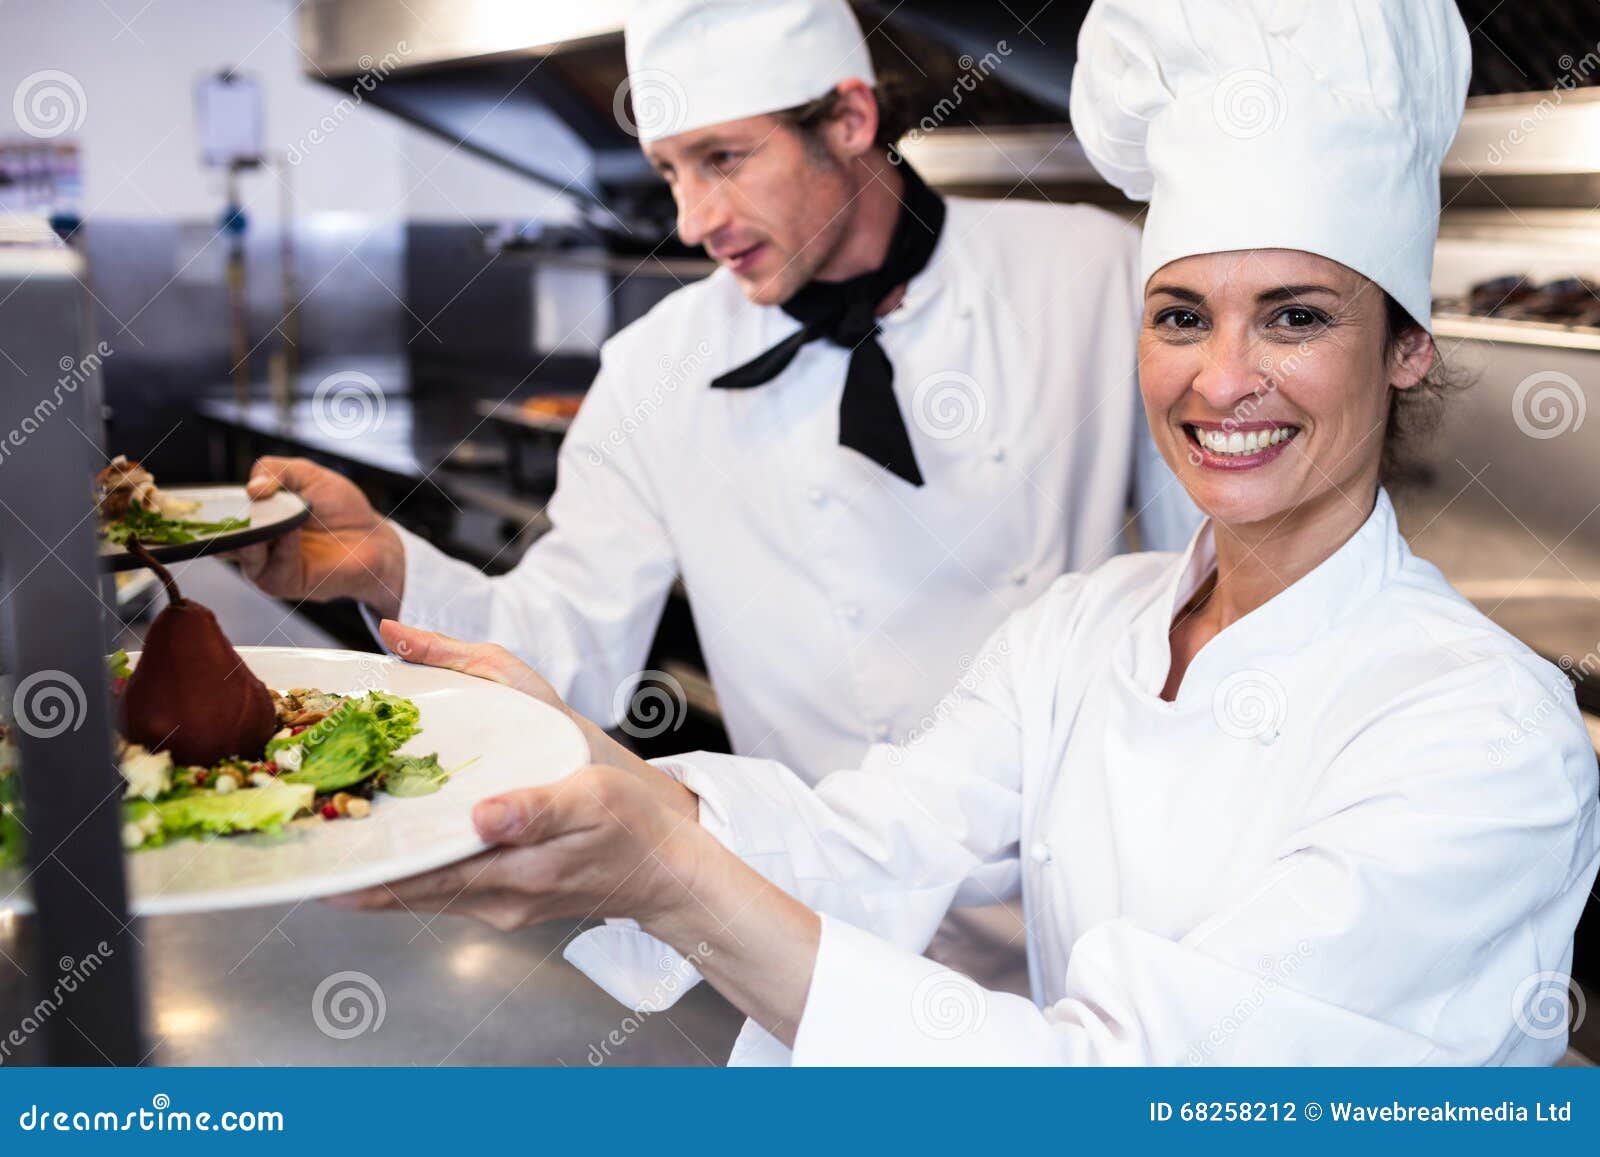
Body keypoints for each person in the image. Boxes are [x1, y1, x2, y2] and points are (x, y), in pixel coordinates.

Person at [335, 0, 1600, 1065]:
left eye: (1293, 316)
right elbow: (867, 837)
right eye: (1177, 317)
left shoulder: (1488, 732)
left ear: (1406, 350)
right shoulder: (1083, 629)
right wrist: (603, 786)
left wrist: (665, 873)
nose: (1220, 380)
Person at [236, 0, 1196, 785]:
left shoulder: (1093, 271)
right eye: (670, 171)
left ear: (850, 120)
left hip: (1078, 880)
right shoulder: (657, 368)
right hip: (827, 908)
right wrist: (384, 567)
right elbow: (564, 644)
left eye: (724, 160)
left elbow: (1201, 575)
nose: (695, 222)